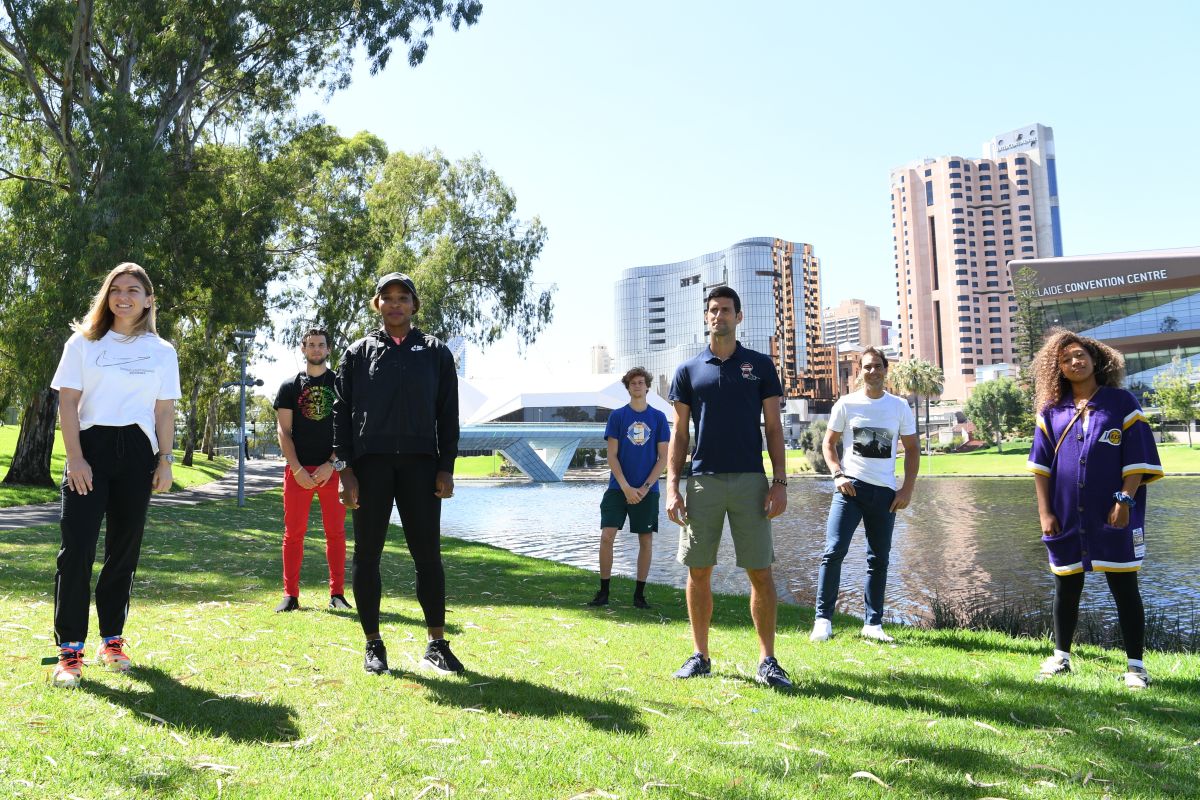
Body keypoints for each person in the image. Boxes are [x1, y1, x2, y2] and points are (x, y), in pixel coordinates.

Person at [48, 263, 181, 688]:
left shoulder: (163, 351)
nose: (123, 297)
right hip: (91, 451)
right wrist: (76, 458)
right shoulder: (83, 343)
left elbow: (163, 411)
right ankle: (70, 651)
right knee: (77, 551)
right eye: (115, 289)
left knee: (123, 552)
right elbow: (68, 405)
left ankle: (112, 641)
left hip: (138, 455)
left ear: (148, 299)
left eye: (133, 290)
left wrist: (165, 459)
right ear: (106, 296)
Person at [333, 272, 463, 676]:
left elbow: (449, 415)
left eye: (402, 298)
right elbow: (340, 415)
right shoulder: (357, 353)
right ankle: (373, 645)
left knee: (428, 556)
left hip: (422, 466)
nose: (394, 304)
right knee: (367, 555)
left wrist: (446, 467)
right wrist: (345, 471)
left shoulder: (436, 353)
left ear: (414, 305)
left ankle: (436, 644)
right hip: (370, 467)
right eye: (386, 298)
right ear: (377, 305)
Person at [665, 286, 792, 689]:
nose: (718, 315)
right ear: (707, 317)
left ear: (739, 317)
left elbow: (773, 428)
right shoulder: (688, 371)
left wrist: (780, 482)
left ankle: (768, 661)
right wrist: (672, 488)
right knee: (698, 570)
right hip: (702, 482)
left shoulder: (760, 365)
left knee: (760, 572)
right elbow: (679, 435)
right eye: (713, 310)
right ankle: (700, 655)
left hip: (751, 481)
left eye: (726, 310)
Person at [1026, 329, 1162, 689]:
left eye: (1081, 355)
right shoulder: (1051, 412)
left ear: (1095, 359)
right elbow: (1040, 469)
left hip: (1114, 512)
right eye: (1067, 358)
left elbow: (1136, 458)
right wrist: (1045, 513)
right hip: (1067, 514)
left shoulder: (1121, 402)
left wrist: (1124, 500)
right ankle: (1061, 658)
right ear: (1058, 369)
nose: (1075, 361)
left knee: (1124, 586)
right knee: (1065, 586)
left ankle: (1136, 667)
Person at [810, 347, 919, 644]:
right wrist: (837, 474)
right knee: (833, 552)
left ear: (886, 370)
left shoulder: (898, 407)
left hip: (885, 494)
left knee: (879, 559)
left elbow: (912, 449)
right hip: (850, 490)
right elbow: (828, 444)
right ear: (860, 371)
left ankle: (873, 624)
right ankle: (823, 620)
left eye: (877, 366)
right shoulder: (846, 404)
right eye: (867, 367)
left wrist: (907, 489)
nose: (872, 371)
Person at [272, 328, 350, 612]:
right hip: (298, 472)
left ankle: (337, 594)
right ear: (303, 349)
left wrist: (332, 464)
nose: (316, 349)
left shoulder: (340, 384)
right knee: (293, 534)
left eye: (321, 345)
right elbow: (284, 430)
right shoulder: (289, 387)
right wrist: (296, 469)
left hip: (332, 471)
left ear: (329, 350)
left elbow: (347, 429)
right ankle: (290, 595)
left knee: (336, 534)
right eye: (311, 345)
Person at [588, 366, 670, 609]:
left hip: (648, 490)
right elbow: (611, 456)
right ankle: (603, 592)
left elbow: (663, 459)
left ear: (647, 387)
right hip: (618, 488)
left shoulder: (658, 418)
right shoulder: (617, 417)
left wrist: (644, 488)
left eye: (641, 382)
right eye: (632, 383)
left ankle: (639, 595)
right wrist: (625, 486)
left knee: (645, 540)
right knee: (607, 536)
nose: (637, 386)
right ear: (628, 387)